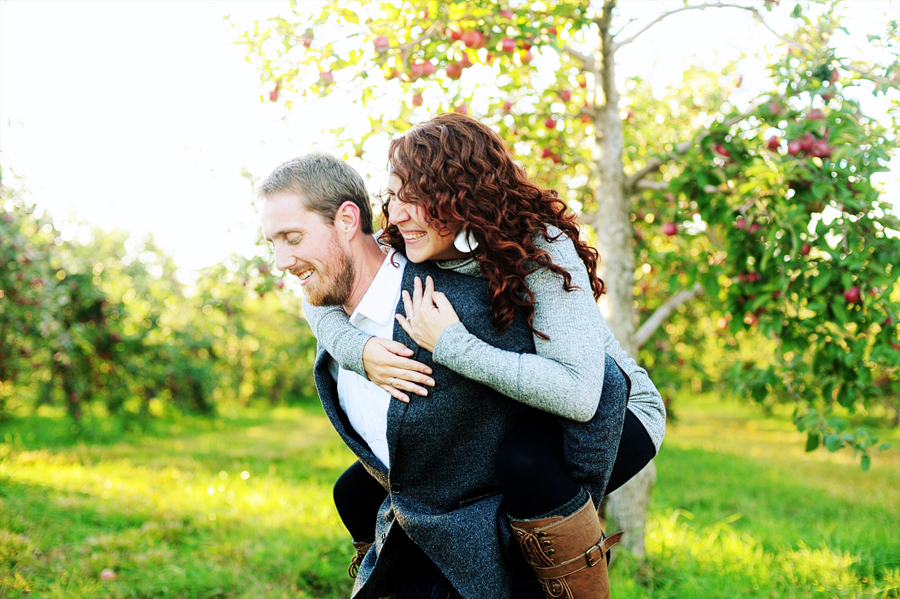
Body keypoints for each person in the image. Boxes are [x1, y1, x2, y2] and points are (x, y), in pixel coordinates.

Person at [304, 113, 666, 598]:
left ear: (461, 193)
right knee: (360, 488)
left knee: (524, 467)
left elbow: (580, 394)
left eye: (413, 198)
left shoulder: (541, 248)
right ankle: (394, 572)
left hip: (613, 410)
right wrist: (361, 350)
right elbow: (317, 296)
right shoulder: (413, 241)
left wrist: (453, 345)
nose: (396, 215)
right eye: (392, 198)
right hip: (517, 407)